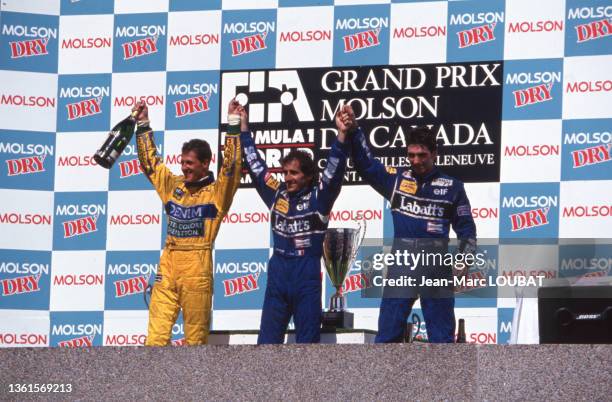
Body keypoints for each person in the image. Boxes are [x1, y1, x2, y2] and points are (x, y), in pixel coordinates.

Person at [340, 105, 477, 343]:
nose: (416, 161)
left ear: (435, 153)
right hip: (402, 263)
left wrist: (464, 260)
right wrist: (354, 130)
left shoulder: (452, 187)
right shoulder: (397, 180)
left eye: (422, 155)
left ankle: (444, 381)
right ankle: (386, 381)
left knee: (442, 338)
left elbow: (467, 229)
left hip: (435, 264)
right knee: (388, 334)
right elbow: (366, 165)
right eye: (411, 155)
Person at [134, 99, 243, 346]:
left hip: (198, 265)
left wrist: (233, 125)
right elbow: (150, 164)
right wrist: (143, 125)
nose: (184, 168)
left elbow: (232, 167)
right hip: (169, 263)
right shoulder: (173, 186)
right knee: (155, 338)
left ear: (206, 163)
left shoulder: (218, 193)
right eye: (182, 162)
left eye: (190, 163)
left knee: (195, 341)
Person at [240, 105, 352, 344]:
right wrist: (243, 128)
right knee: (267, 345)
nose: (287, 178)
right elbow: (255, 165)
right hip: (278, 272)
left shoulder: (318, 198)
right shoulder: (277, 194)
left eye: (293, 173)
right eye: (285, 172)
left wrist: (341, 136)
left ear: (308, 176)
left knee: (307, 348)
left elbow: (333, 172)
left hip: (306, 274)